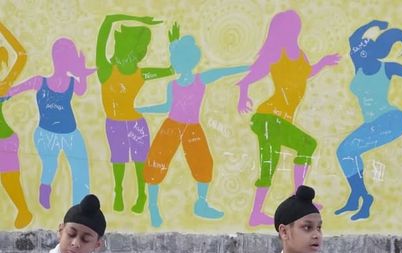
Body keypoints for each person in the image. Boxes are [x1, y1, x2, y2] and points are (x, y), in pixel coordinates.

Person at [236, 10, 340, 226]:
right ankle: (265, 210)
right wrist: (243, 92)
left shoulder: (299, 53)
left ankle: (288, 203)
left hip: (280, 120)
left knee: (297, 149)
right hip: (269, 118)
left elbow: (304, 73)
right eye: (291, 26)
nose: (295, 30)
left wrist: (322, 62)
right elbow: (256, 72)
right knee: (275, 160)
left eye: (296, 26)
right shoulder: (276, 53)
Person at [139, 23, 247, 227]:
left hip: (192, 128)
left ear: (186, 61)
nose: (173, 63)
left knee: (204, 163)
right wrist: (143, 110)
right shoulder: (173, 85)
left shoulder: (200, 79)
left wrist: (250, 67)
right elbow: (166, 107)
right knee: (156, 163)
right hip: (171, 126)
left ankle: (201, 203)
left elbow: (224, 72)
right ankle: (153, 206)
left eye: (175, 60)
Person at [336, 20, 402, 221]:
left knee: (347, 150)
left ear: (375, 52)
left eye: (364, 50)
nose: (357, 53)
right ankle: (360, 196)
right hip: (373, 123)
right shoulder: (359, 67)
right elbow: (352, 39)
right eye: (358, 51)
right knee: (347, 152)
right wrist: (373, 23)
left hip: (392, 120)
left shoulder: (388, 68)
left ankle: (361, 197)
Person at [96, 14, 173, 214]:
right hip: (115, 123)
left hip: (136, 123)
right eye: (126, 49)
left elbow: (171, 70)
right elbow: (107, 22)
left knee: (140, 162)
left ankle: (141, 195)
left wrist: (173, 44)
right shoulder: (105, 70)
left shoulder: (142, 73)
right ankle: (119, 191)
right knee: (119, 159)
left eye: (135, 52)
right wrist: (139, 19)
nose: (131, 57)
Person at [6, 38, 95, 209]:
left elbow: (82, 90)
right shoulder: (40, 81)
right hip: (46, 134)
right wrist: (4, 94)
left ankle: (80, 209)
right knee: (50, 165)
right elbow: (15, 90)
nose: (67, 62)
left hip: (71, 133)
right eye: (65, 58)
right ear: (56, 59)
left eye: (70, 58)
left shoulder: (71, 82)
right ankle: (45, 187)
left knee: (81, 171)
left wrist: (82, 73)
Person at [0, 22, 32, 228]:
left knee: (10, 182)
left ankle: (24, 210)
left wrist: (2, 27)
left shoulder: (2, 87)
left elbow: (22, 55)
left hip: (4, 140)